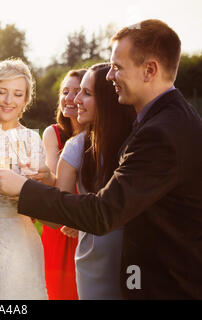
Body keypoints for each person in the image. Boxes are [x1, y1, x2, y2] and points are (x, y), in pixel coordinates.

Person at [0, 19, 202, 299]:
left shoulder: (162, 132)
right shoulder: (166, 119)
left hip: (167, 287)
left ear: (150, 70)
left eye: (117, 67)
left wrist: (22, 187)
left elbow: (102, 213)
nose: (109, 75)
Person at [58, 63, 135, 299]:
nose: (76, 99)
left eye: (86, 93)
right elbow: (61, 207)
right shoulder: (75, 147)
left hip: (135, 254)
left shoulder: (138, 143)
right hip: (95, 256)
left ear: (107, 100)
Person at [0, 58, 47, 300]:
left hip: (21, 241)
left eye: (17, 94)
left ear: (25, 101)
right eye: (2, 92)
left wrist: (31, 185)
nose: (9, 100)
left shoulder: (32, 141)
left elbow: (45, 203)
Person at [41, 69, 86, 300]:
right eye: (65, 91)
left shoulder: (100, 135)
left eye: (77, 91)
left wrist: (82, 219)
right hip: (60, 226)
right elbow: (55, 184)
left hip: (88, 223)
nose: (69, 97)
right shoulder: (53, 133)